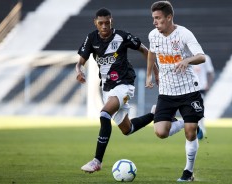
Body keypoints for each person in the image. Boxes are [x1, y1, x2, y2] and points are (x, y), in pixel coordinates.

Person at [76, 8, 158, 173]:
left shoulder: (122, 36)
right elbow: (80, 62)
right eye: (101, 23)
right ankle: (156, 114)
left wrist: (155, 73)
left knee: (104, 114)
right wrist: (79, 70)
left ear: (111, 21)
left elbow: (145, 50)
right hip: (106, 88)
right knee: (127, 129)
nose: (104, 26)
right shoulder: (91, 38)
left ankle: (97, 161)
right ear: (95, 23)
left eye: (107, 22)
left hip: (124, 85)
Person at [146, 1, 206, 182]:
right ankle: (187, 122)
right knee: (161, 132)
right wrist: (149, 74)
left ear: (169, 17)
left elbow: (201, 56)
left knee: (190, 133)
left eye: (158, 18)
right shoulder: (153, 35)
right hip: (166, 92)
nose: (155, 22)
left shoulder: (184, 34)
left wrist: (187, 61)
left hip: (189, 90)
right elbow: (151, 53)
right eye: (153, 18)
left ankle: (188, 172)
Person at [193, 54, 215, 135]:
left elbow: (211, 72)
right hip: (189, 88)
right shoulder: (187, 57)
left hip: (201, 87)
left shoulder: (206, 58)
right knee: (192, 109)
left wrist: (208, 85)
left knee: (199, 109)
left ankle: (201, 128)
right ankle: (196, 127)